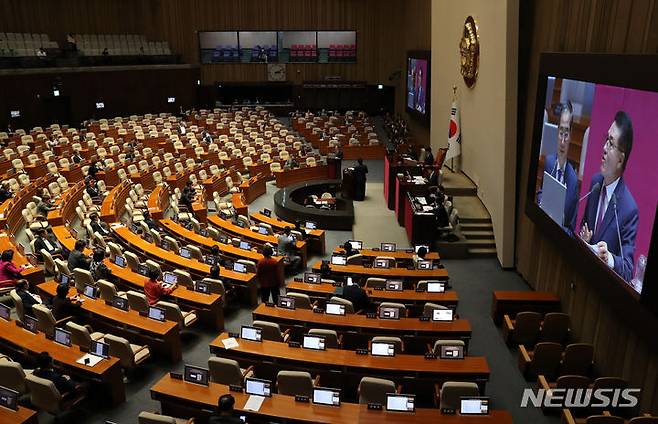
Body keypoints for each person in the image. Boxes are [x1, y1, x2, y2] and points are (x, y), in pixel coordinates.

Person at [579, 111, 638, 282]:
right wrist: (585, 239)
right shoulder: (596, 184)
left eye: (611, 144)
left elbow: (628, 269)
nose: (604, 148)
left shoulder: (629, 209)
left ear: (620, 160)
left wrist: (609, 258)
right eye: (606, 140)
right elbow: (584, 230)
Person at [537, 102, 579, 235]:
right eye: (561, 132)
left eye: (566, 134)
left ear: (571, 135)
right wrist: (541, 202)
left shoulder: (572, 181)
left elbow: (571, 229)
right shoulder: (549, 162)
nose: (562, 141)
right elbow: (540, 193)